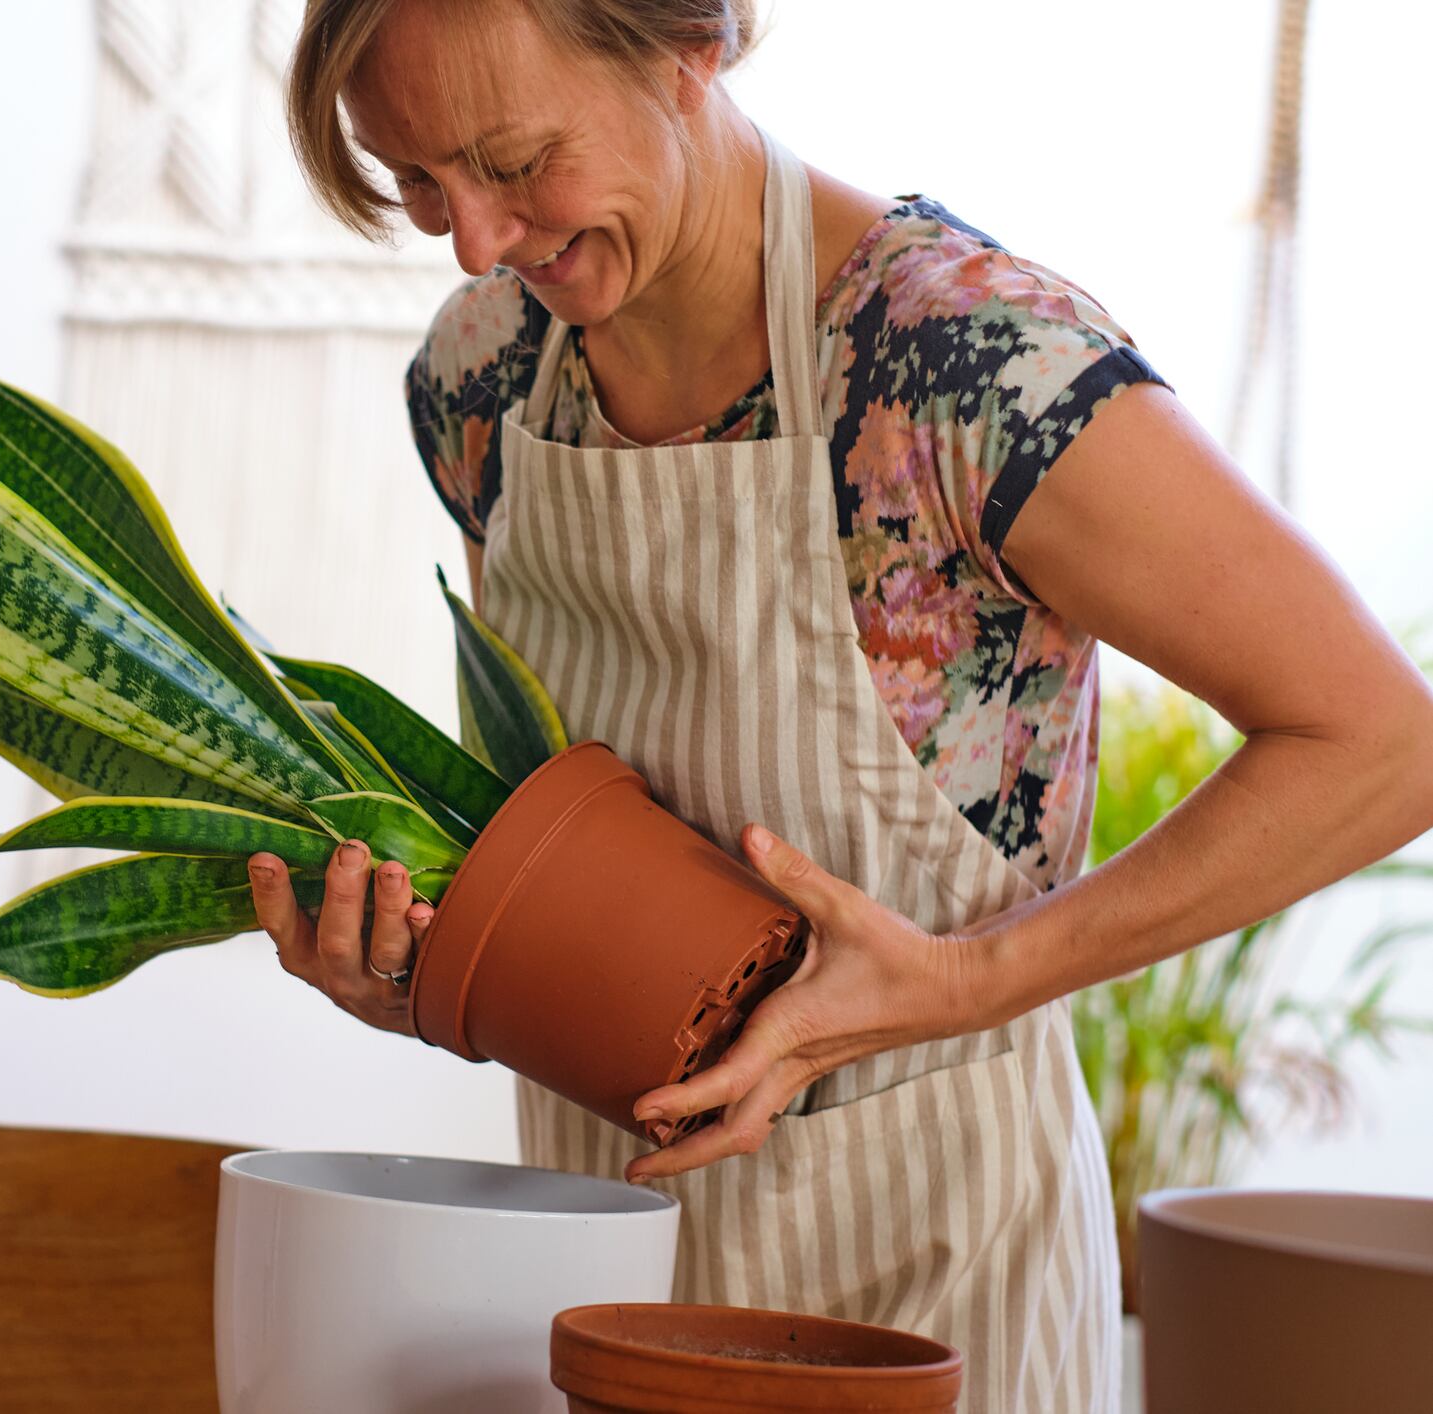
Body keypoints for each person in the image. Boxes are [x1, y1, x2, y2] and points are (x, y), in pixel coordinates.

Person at [244, 1, 1433, 1406]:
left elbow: (1381, 743)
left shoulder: (963, 366)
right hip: (590, 1301)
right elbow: (559, 847)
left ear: (690, 46)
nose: (472, 239)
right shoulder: (481, 378)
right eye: (415, 180)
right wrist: (425, 978)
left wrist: (960, 980)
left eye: (514, 160)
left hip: (931, 1293)